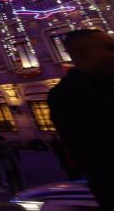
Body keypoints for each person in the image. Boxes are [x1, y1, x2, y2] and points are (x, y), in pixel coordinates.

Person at [47, 28, 114, 209]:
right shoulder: (69, 95)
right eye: (108, 48)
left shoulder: (105, 84)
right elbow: (97, 153)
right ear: (81, 54)